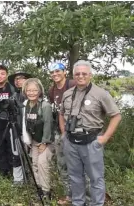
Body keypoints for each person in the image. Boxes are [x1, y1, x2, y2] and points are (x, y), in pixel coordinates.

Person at [59, 60, 121, 206]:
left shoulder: (100, 94)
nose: (80, 76)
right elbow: (61, 114)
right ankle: (78, 202)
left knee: (96, 178)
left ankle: (97, 203)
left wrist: (105, 138)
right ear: (73, 75)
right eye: (77, 74)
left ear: (90, 75)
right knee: (75, 176)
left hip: (92, 141)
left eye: (84, 73)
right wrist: (63, 133)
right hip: (71, 141)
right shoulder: (67, 94)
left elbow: (116, 115)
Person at [47, 62, 77, 205]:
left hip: (78, 131)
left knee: (78, 164)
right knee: (62, 164)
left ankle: (86, 195)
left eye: (58, 71)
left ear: (64, 72)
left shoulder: (72, 84)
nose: (55, 74)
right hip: (60, 132)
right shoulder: (52, 90)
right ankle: (69, 195)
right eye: (52, 72)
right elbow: (58, 112)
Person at [21, 78, 54, 200]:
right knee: (34, 163)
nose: (31, 93)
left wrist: (44, 142)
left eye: (34, 90)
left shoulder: (45, 106)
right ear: (25, 91)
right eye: (29, 90)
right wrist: (28, 140)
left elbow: (48, 124)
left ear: (40, 91)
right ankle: (39, 187)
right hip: (33, 141)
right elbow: (25, 124)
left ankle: (46, 191)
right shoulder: (26, 105)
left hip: (45, 141)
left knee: (42, 164)